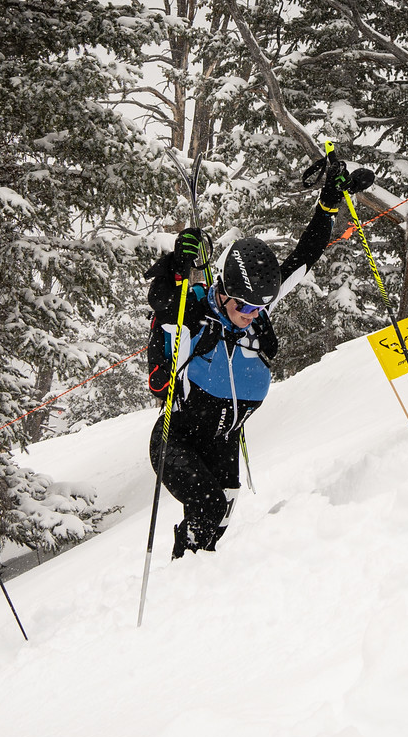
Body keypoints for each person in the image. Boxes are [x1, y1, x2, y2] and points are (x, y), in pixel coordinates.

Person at [145, 158, 372, 559]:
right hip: (176, 438)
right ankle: (179, 583)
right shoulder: (196, 310)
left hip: (225, 440)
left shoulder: (257, 311)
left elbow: (305, 255)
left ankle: (184, 578)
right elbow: (162, 302)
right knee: (209, 508)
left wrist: (329, 202)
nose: (253, 314)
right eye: (245, 307)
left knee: (216, 529)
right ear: (225, 292)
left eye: (259, 307)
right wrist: (178, 264)